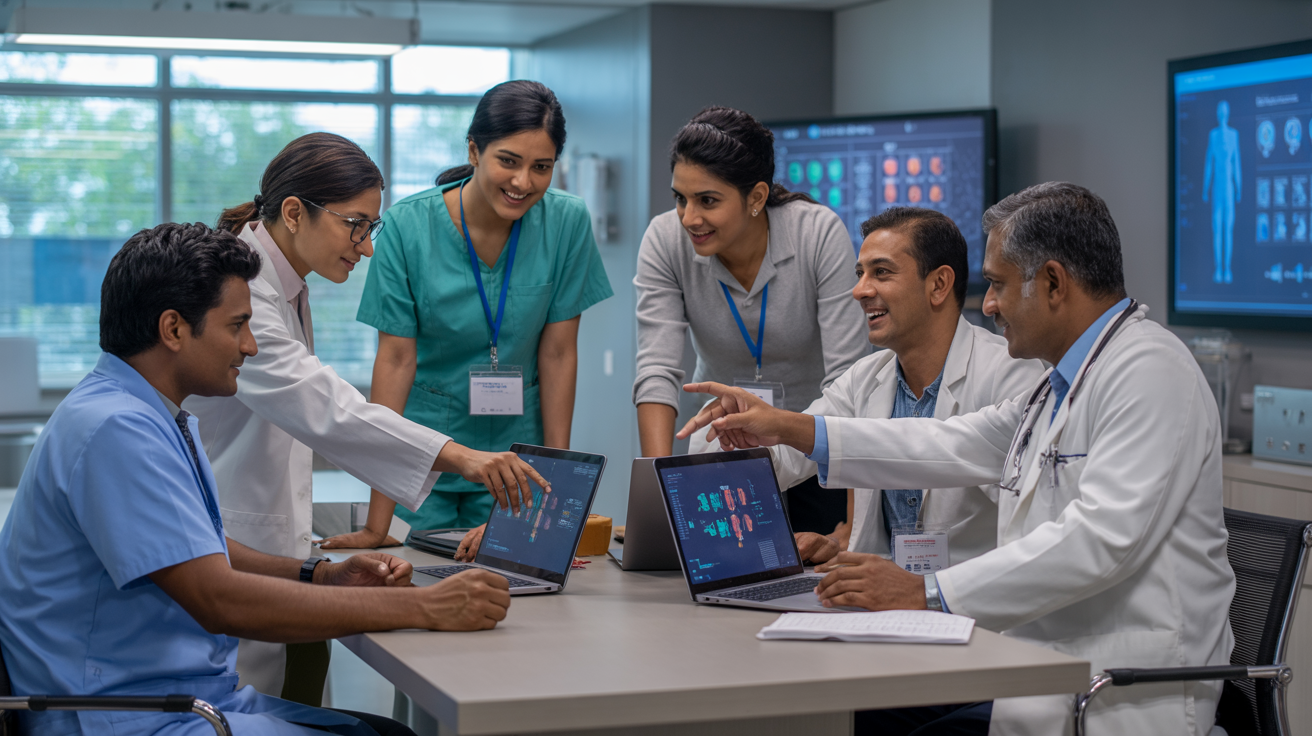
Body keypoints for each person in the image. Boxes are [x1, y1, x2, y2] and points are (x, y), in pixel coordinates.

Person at [677, 183, 1235, 735]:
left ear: (1053, 283)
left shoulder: (1150, 370)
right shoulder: (1058, 388)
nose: (988, 304)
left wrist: (926, 591)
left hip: (1118, 691)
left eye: (997, 285)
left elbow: (1100, 539)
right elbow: (943, 441)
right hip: (1039, 665)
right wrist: (787, 427)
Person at [0, 223, 513, 736]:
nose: (250, 346)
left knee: (384, 732)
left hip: (183, 694)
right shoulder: (116, 428)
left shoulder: (148, 412)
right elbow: (218, 599)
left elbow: (194, 546)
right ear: (174, 329)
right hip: (124, 715)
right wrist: (421, 606)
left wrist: (317, 573)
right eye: (237, 325)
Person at [190, 133, 549, 702]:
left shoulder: (283, 285)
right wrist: (460, 456)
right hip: (236, 545)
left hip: (270, 541)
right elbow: (324, 406)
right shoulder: (246, 293)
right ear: (293, 213)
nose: (367, 247)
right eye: (355, 224)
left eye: (371, 227)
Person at [349, 80, 613, 556]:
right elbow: (394, 363)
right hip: (423, 460)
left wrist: (554, 499)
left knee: (519, 602)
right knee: (412, 593)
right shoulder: (409, 227)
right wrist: (376, 523)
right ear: (474, 150)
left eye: (542, 167)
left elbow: (556, 355)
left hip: (518, 469)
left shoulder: (567, 222)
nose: (523, 182)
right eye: (508, 161)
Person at [633, 106, 867, 534]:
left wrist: (854, 524)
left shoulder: (817, 234)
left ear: (756, 198)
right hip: (721, 451)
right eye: (680, 198)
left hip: (813, 451)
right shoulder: (665, 240)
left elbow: (848, 380)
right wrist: (657, 494)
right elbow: (657, 370)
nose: (689, 218)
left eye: (707, 201)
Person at [778, 207, 1042, 567]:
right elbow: (787, 456)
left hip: (970, 607)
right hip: (878, 602)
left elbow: (1026, 516)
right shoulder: (864, 378)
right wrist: (737, 434)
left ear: (938, 285)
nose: (859, 291)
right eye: (860, 274)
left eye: (881, 273)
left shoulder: (1013, 375)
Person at [1203, 99, 1240, 284]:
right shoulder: (1213, 135)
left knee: (1227, 229)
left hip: (1228, 188)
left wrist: (1238, 187)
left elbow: (1236, 164)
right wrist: (1205, 188)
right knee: (1218, 229)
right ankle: (1219, 269)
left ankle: (1227, 269)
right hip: (1218, 187)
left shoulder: (1234, 135)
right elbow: (1209, 163)